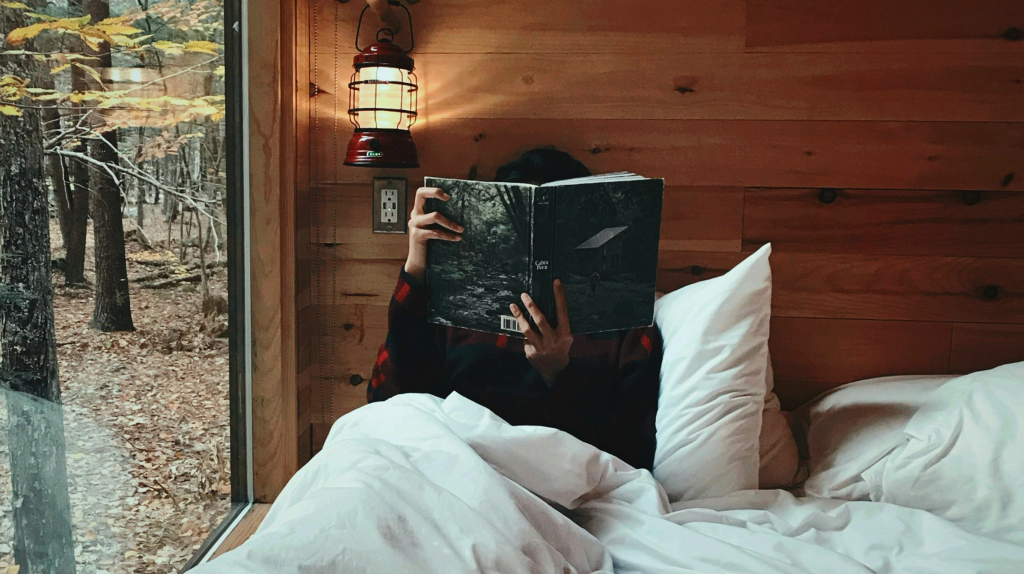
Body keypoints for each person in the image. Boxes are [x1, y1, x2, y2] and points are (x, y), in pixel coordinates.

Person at [367, 148, 663, 470]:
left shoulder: (626, 322)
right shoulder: (457, 304)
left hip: (557, 483)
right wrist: (417, 270)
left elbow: (633, 456)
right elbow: (387, 400)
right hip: (452, 468)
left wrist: (558, 374)